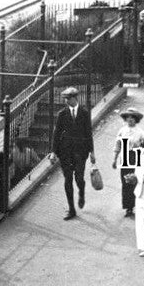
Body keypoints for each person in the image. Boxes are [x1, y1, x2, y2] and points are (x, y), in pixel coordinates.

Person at [53, 87, 95, 220]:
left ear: (75, 98)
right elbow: (56, 134)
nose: (66, 101)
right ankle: (71, 209)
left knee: (79, 178)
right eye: (65, 99)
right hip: (65, 151)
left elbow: (88, 133)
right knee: (68, 179)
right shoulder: (62, 114)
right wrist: (53, 152)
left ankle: (81, 192)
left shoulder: (84, 113)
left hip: (80, 152)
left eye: (69, 99)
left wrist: (92, 152)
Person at [114, 107, 144, 218]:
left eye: (133, 117)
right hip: (124, 158)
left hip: (135, 158)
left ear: (136, 119)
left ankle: (137, 205)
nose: (130, 119)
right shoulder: (122, 131)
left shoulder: (140, 133)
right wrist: (115, 159)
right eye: (128, 117)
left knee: (135, 182)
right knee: (125, 182)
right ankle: (128, 208)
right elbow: (118, 145)